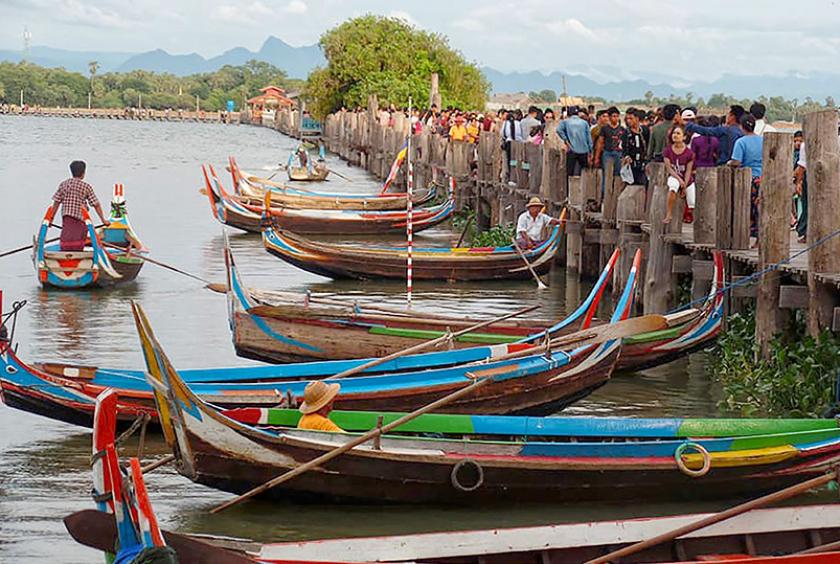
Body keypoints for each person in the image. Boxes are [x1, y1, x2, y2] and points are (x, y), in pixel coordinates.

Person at [50, 161, 109, 251]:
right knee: (79, 239)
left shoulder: (64, 184)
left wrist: (51, 219)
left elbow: (56, 203)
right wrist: (103, 220)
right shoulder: (86, 186)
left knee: (67, 237)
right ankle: (78, 252)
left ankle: (66, 252)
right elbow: (96, 204)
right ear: (83, 173)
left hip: (67, 218)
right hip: (80, 219)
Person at [728, 114, 764, 239]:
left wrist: (729, 163)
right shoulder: (763, 140)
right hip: (763, 178)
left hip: (749, 179)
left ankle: (745, 236)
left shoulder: (741, 142)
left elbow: (736, 161)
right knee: (760, 210)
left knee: (747, 209)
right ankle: (759, 239)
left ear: (742, 127)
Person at [663, 126, 695, 225]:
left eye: (678, 133)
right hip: (674, 176)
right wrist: (679, 180)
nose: (675, 135)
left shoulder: (690, 153)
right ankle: (669, 213)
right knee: (673, 187)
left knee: (692, 201)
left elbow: (688, 171)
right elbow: (669, 169)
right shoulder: (667, 151)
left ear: (684, 137)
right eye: (674, 133)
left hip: (686, 179)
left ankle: (689, 217)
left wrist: (684, 184)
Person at [594, 106, 625, 196]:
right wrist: (596, 157)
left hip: (619, 154)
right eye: (613, 116)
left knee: (618, 175)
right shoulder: (605, 129)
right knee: (606, 175)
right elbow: (600, 143)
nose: (615, 118)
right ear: (610, 117)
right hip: (607, 153)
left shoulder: (622, 129)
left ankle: (616, 194)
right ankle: (605, 195)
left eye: (617, 116)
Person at [556, 106, 593, 178]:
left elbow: (558, 130)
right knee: (584, 171)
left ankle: (568, 188)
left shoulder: (565, 122)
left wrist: (565, 140)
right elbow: (589, 138)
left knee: (570, 172)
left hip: (571, 150)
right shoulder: (584, 123)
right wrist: (590, 151)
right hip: (584, 150)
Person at [622, 108, 647, 185]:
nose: (629, 121)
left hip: (643, 164)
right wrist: (626, 156)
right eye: (627, 118)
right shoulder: (626, 133)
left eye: (631, 118)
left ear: (637, 118)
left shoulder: (645, 131)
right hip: (631, 165)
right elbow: (623, 148)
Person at [793, 130, 807, 242]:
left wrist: (799, 182)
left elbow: (802, 166)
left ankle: (804, 231)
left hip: (809, 177)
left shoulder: (805, 145)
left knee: (807, 205)